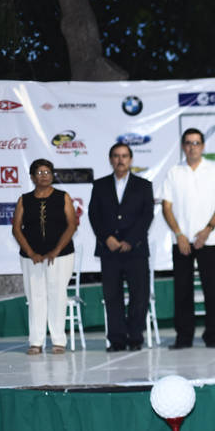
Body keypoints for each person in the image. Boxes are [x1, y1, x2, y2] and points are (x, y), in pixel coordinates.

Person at [160, 127, 215, 349]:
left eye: (196, 143)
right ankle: (183, 337)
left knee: (210, 289)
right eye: (188, 143)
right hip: (182, 241)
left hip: (208, 240)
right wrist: (179, 234)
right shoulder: (174, 172)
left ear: (203, 146)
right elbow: (166, 206)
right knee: (182, 291)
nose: (192, 147)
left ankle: (212, 336)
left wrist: (207, 229)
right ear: (183, 147)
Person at [88, 142, 155, 351]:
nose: (120, 160)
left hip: (136, 250)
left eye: (124, 156)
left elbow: (147, 215)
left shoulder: (144, 185)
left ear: (131, 159)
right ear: (111, 160)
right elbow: (94, 215)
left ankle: (135, 338)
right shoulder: (100, 185)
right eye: (116, 156)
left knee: (139, 296)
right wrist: (106, 238)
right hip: (109, 251)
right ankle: (116, 340)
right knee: (112, 297)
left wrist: (130, 240)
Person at [11, 159, 78, 355]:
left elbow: (72, 225)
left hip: (60, 256)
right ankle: (36, 342)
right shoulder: (24, 199)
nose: (44, 176)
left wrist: (56, 250)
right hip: (31, 258)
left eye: (47, 172)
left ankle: (58, 341)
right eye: (39, 173)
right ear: (32, 177)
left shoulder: (63, 197)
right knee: (35, 297)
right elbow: (16, 229)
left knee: (57, 295)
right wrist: (31, 253)